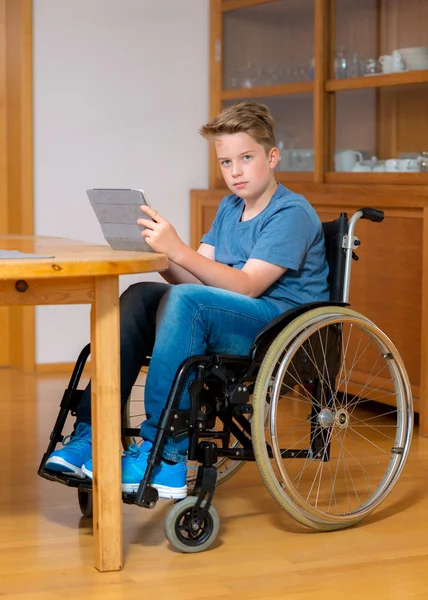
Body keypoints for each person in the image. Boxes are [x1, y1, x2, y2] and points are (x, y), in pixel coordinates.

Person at [46, 101, 329, 500]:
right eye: (226, 162)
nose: (235, 171)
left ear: (272, 156)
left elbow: (247, 286)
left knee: (188, 302)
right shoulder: (230, 208)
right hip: (231, 313)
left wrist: (178, 249)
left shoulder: (292, 213)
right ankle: (92, 435)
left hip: (278, 325)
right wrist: (160, 256)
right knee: (141, 296)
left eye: (246, 158)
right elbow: (195, 277)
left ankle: (165, 455)